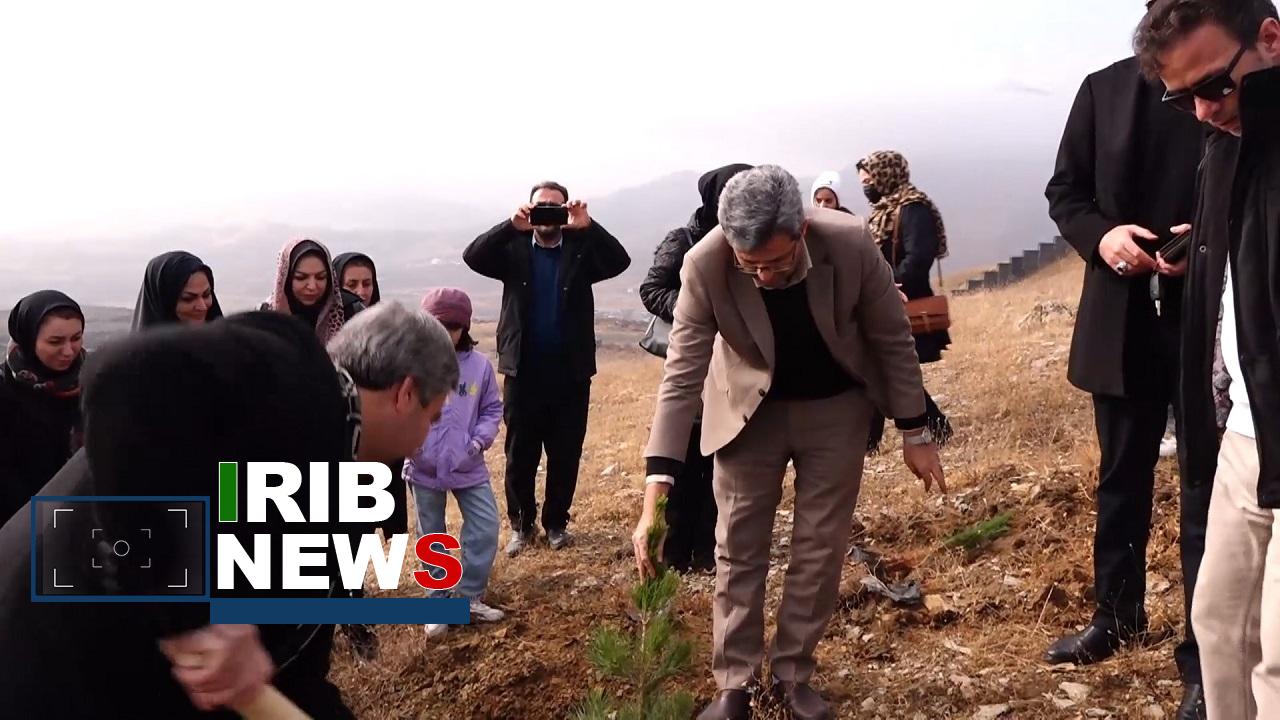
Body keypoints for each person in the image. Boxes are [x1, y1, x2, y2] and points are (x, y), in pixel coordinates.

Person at [0, 302, 458, 718]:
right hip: (44, 648)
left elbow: (291, 661)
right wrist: (196, 619)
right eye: (432, 418)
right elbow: (120, 373)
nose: (423, 441)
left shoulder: (338, 474)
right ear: (406, 394)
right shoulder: (291, 371)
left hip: (126, 676)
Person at [634, 165, 945, 720]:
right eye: (749, 265)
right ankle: (735, 683)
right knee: (737, 545)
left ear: (800, 229)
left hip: (836, 408)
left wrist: (915, 432)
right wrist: (656, 490)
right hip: (747, 414)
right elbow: (681, 375)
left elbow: (891, 337)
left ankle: (793, 674)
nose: (763, 277)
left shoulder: (849, 243)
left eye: (775, 263)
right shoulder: (705, 262)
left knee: (820, 545)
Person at [1044, 5, 1210, 715]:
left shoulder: (1228, 83)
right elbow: (1066, 192)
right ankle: (1116, 615)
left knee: (1207, 489)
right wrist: (1103, 237)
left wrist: (1206, 239)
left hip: (1210, 317)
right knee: (1120, 478)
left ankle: (1205, 655)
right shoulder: (1103, 88)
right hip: (1121, 318)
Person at [1136, 1, 1280, 716]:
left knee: (1279, 660)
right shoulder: (1227, 144)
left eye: (1216, 85)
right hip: (1245, 434)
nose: (1202, 110)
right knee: (1220, 629)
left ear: (1270, 38)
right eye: (1182, 97)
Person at [463, 181, 631, 555]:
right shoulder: (513, 250)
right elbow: (473, 256)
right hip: (523, 371)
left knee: (565, 452)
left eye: (556, 206)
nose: (547, 213)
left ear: (566, 210)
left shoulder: (580, 251)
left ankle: (556, 524)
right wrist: (510, 226)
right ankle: (522, 526)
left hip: (571, 373)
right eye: (540, 205)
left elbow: (620, 261)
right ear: (529, 208)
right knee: (519, 454)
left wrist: (589, 226)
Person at [639, 163, 752, 574]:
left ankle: (709, 546)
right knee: (685, 449)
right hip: (695, 358)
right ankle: (673, 548)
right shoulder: (685, 240)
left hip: (736, 360)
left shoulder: (752, 237)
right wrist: (697, 310)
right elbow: (652, 289)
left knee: (725, 451)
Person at [408, 288, 505, 639]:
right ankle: (438, 603)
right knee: (431, 535)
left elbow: (492, 408)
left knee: (485, 526)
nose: (445, 332)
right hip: (423, 466)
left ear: (464, 327)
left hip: (469, 464)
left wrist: (477, 442)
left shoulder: (479, 367)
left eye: (453, 325)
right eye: (437, 324)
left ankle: (468, 597)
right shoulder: (409, 366)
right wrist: (411, 444)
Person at [329, 250, 405, 661]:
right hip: (326, 455)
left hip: (369, 457)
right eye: (350, 284)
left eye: (367, 283)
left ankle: (356, 623)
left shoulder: (385, 332)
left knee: (354, 540)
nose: (360, 292)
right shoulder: (322, 329)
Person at [856, 151, 954, 449]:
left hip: (902, 300)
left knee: (884, 366)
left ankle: (930, 428)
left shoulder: (913, 208)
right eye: (863, 182)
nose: (867, 187)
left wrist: (887, 284)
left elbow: (919, 257)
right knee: (879, 366)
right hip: (882, 301)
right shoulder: (883, 211)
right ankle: (873, 439)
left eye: (870, 180)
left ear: (886, 176)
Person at [0, 291, 85, 525]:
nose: (69, 351)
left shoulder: (93, 380)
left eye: (76, 338)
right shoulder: (5, 391)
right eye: (55, 342)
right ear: (28, 339)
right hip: (21, 525)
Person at [262, 237, 352, 345]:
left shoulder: (350, 311)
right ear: (286, 279)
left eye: (320, 277)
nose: (312, 286)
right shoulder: (265, 318)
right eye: (301, 278)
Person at [132, 250, 224, 329]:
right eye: (188, 299)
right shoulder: (145, 344)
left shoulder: (223, 341)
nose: (202, 307)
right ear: (163, 301)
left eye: (206, 295)